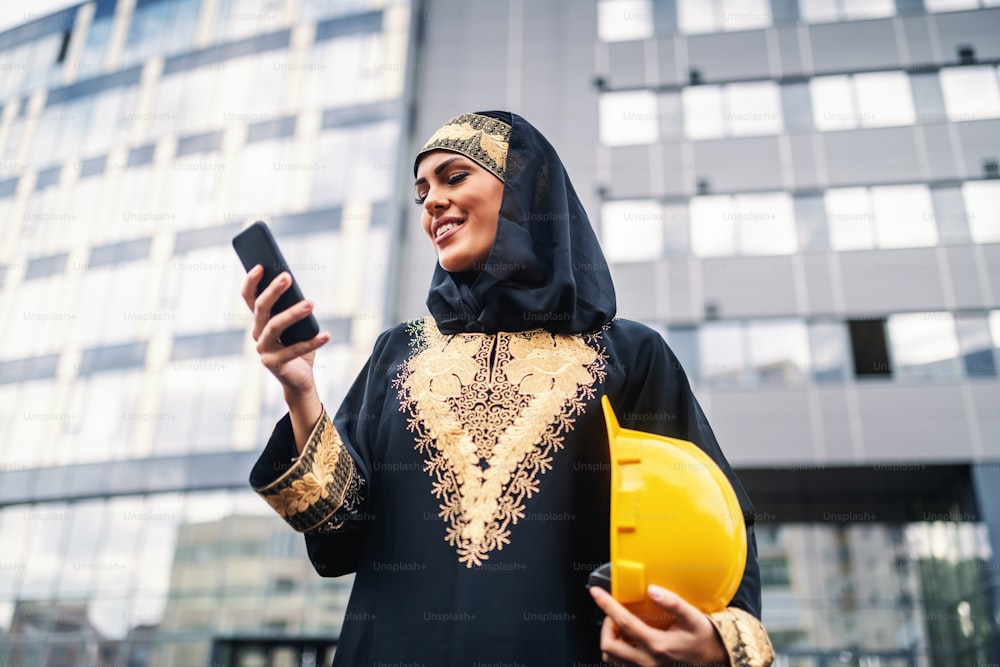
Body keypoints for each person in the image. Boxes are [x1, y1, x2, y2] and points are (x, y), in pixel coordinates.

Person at [241, 111, 774, 666]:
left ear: (525, 189)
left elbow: (718, 515)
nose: (430, 203)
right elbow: (337, 535)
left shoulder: (630, 355)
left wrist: (719, 642)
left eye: (454, 178)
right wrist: (300, 390)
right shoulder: (397, 353)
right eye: (422, 191)